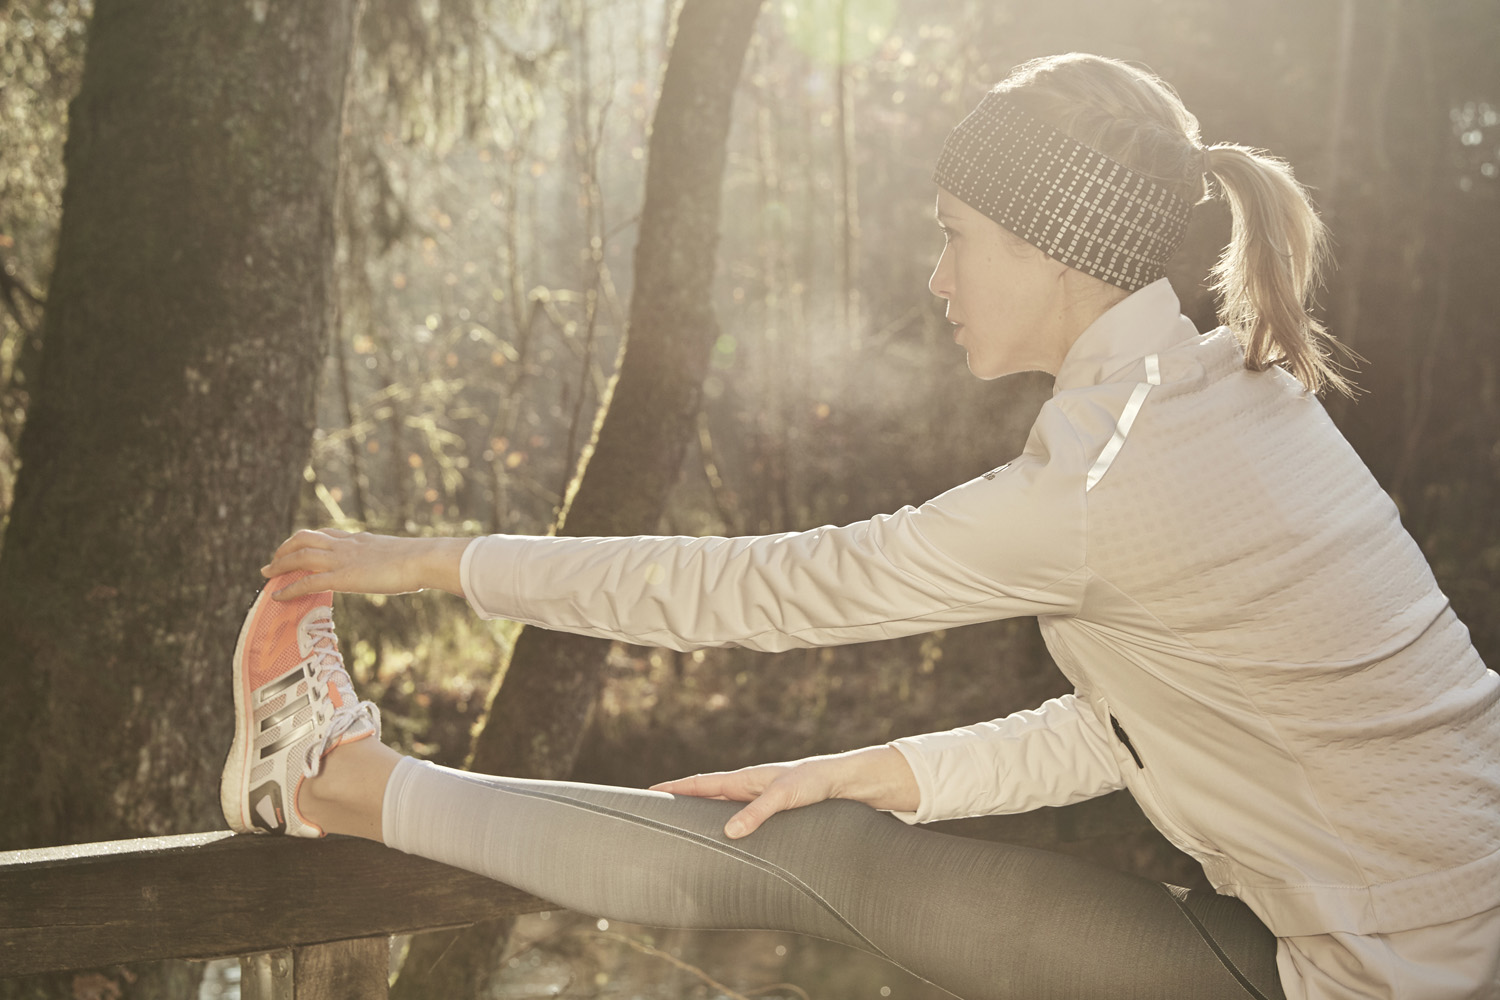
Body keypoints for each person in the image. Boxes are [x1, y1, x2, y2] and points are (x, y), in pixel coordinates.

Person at [220, 53, 1500, 999]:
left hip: (1389, 975)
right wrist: (896, 768)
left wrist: (428, 561)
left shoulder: (1099, 481)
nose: (936, 278)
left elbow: (758, 591)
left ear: (1053, 249)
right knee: (825, 819)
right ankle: (335, 782)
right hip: (1405, 947)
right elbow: (1155, 719)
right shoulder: (1229, 392)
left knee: (811, 855)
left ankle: (326, 780)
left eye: (955, 237)